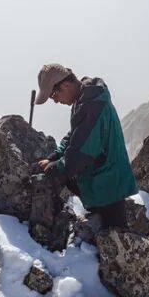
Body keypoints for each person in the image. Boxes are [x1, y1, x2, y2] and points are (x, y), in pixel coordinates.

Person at [34, 63, 137, 229]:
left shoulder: (92, 105)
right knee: (103, 230)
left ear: (65, 86)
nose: (56, 101)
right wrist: (56, 156)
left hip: (107, 184)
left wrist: (55, 167)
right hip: (100, 179)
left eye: (53, 95)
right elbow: (75, 135)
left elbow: (80, 154)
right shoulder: (84, 99)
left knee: (115, 235)